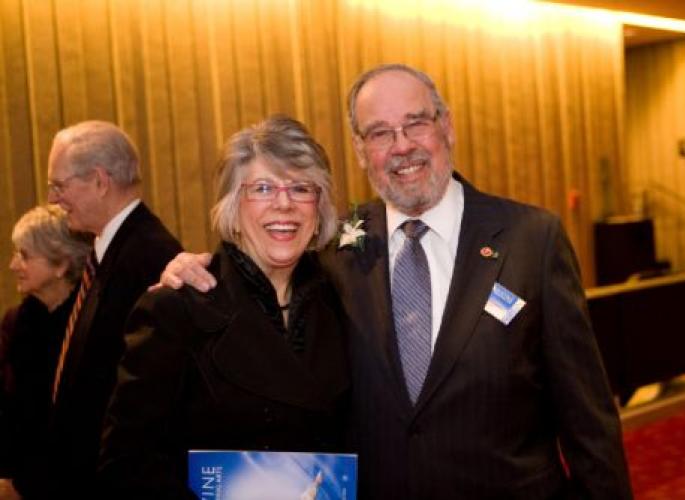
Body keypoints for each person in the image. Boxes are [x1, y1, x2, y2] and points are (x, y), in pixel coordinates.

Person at [162, 64, 632, 499]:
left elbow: (587, 420)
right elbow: (260, 298)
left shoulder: (533, 239)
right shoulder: (330, 250)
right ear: (360, 150)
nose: (402, 145)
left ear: (446, 125)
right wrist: (192, 272)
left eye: (416, 123)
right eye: (380, 133)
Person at [98, 116, 350, 499]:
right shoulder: (174, 309)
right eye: (262, 188)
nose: (284, 204)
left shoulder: (346, 305)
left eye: (301, 188)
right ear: (232, 208)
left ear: (319, 211)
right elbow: (126, 467)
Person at [45, 120, 182, 496]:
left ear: (99, 181)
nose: (53, 200)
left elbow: (144, 399)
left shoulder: (151, 257)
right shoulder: (112, 251)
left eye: (59, 186)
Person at [0, 205, 91, 499]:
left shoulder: (88, 325)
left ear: (61, 265)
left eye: (24, 256)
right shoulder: (16, 323)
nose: (13, 265)